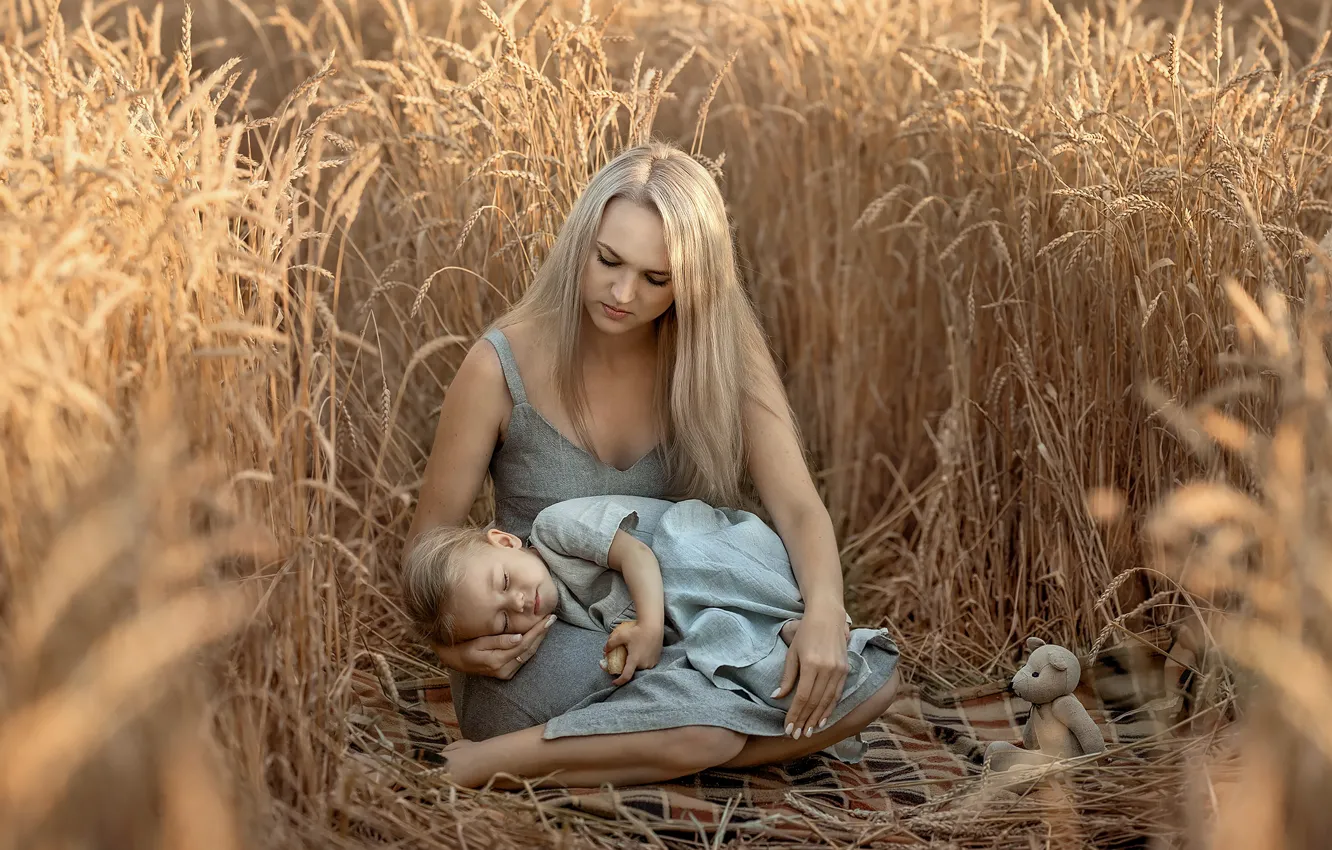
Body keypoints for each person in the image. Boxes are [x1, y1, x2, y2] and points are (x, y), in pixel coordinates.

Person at [403, 140, 902, 786]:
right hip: (548, 646)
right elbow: (427, 549)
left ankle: (676, 742)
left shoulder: (721, 352)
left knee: (878, 679)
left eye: (655, 278)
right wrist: (459, 647)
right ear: (581, 241)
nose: (621, 291)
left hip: (677, 629)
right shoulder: (499, 365)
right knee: (707, 707)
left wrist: (827, 618)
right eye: (607, 260)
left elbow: (799, 506)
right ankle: (525, 755)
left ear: (691, 280)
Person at [401, 495, 901, 786]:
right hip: (690, 628)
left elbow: (638, 555)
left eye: (505, 584)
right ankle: (745, 686)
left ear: (506, 541)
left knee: (685, 560)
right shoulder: (546, 606)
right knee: (866, 680)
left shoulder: (552, 530)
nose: (520, 607)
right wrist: (457, 650)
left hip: (702, 561)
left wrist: (645, 626)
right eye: (503, 624)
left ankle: (776, 622)